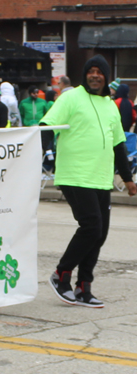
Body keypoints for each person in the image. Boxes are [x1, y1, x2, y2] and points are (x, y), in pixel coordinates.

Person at [41, 54, 137, 308]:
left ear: (106, 77)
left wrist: (127, 179)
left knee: (100, 234)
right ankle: (61, 275)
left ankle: (84, 287)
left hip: (101, 178)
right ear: (85, 75)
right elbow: (47, 126)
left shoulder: (110, 106)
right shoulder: (71, 97)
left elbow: (118, 145)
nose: (95, 75)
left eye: (100, 72)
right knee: (91, 226)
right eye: (90, 71)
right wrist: (36, 159)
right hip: (74, 175)